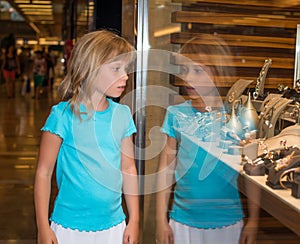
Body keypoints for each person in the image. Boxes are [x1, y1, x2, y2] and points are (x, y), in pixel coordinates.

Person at [34, 30, 139, 244]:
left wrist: (135, 219)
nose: (125, 76)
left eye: (126, 69)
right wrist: (42, 227)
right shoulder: (62, 116)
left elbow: (128, 168)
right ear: (90, 68)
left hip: (114, 226)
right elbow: (44, 173)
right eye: (116, 68)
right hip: (68, 228)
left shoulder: (122, 115)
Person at [156, 34, 260, 244]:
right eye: (185, 70)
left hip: (229, 223)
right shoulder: (176, 114)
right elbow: (165, 170)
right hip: (182, 222)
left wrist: (254, 221)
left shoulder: (237, 117)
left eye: (198, 70)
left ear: (219, 73)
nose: (188, 78)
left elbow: (253, 174)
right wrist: (160, 220)